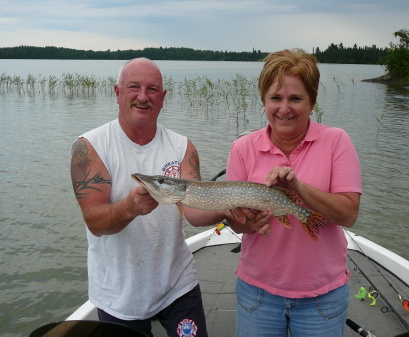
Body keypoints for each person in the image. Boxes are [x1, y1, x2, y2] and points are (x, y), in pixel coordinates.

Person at [70, 57, 225, 337]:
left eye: (152, 89)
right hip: (118, 295)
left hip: (177, 284)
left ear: (163, 98)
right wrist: (130, 207)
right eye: (134, 87)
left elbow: (194, 211)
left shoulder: (182, 146)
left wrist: (230, 208)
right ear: (117, 93)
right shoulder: (90, 147)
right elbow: (95, 222)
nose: (143, 97)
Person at [225, 48, 362, 336]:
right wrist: (248, 222)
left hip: (322, 296)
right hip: (257, 293)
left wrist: (298, 188)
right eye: (275, 98)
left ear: (312, 102)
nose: (284, 108)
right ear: (264, 101)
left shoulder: (336, 141)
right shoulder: (243, 148)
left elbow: (348, 214)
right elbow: (235, 222)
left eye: (295, 98)